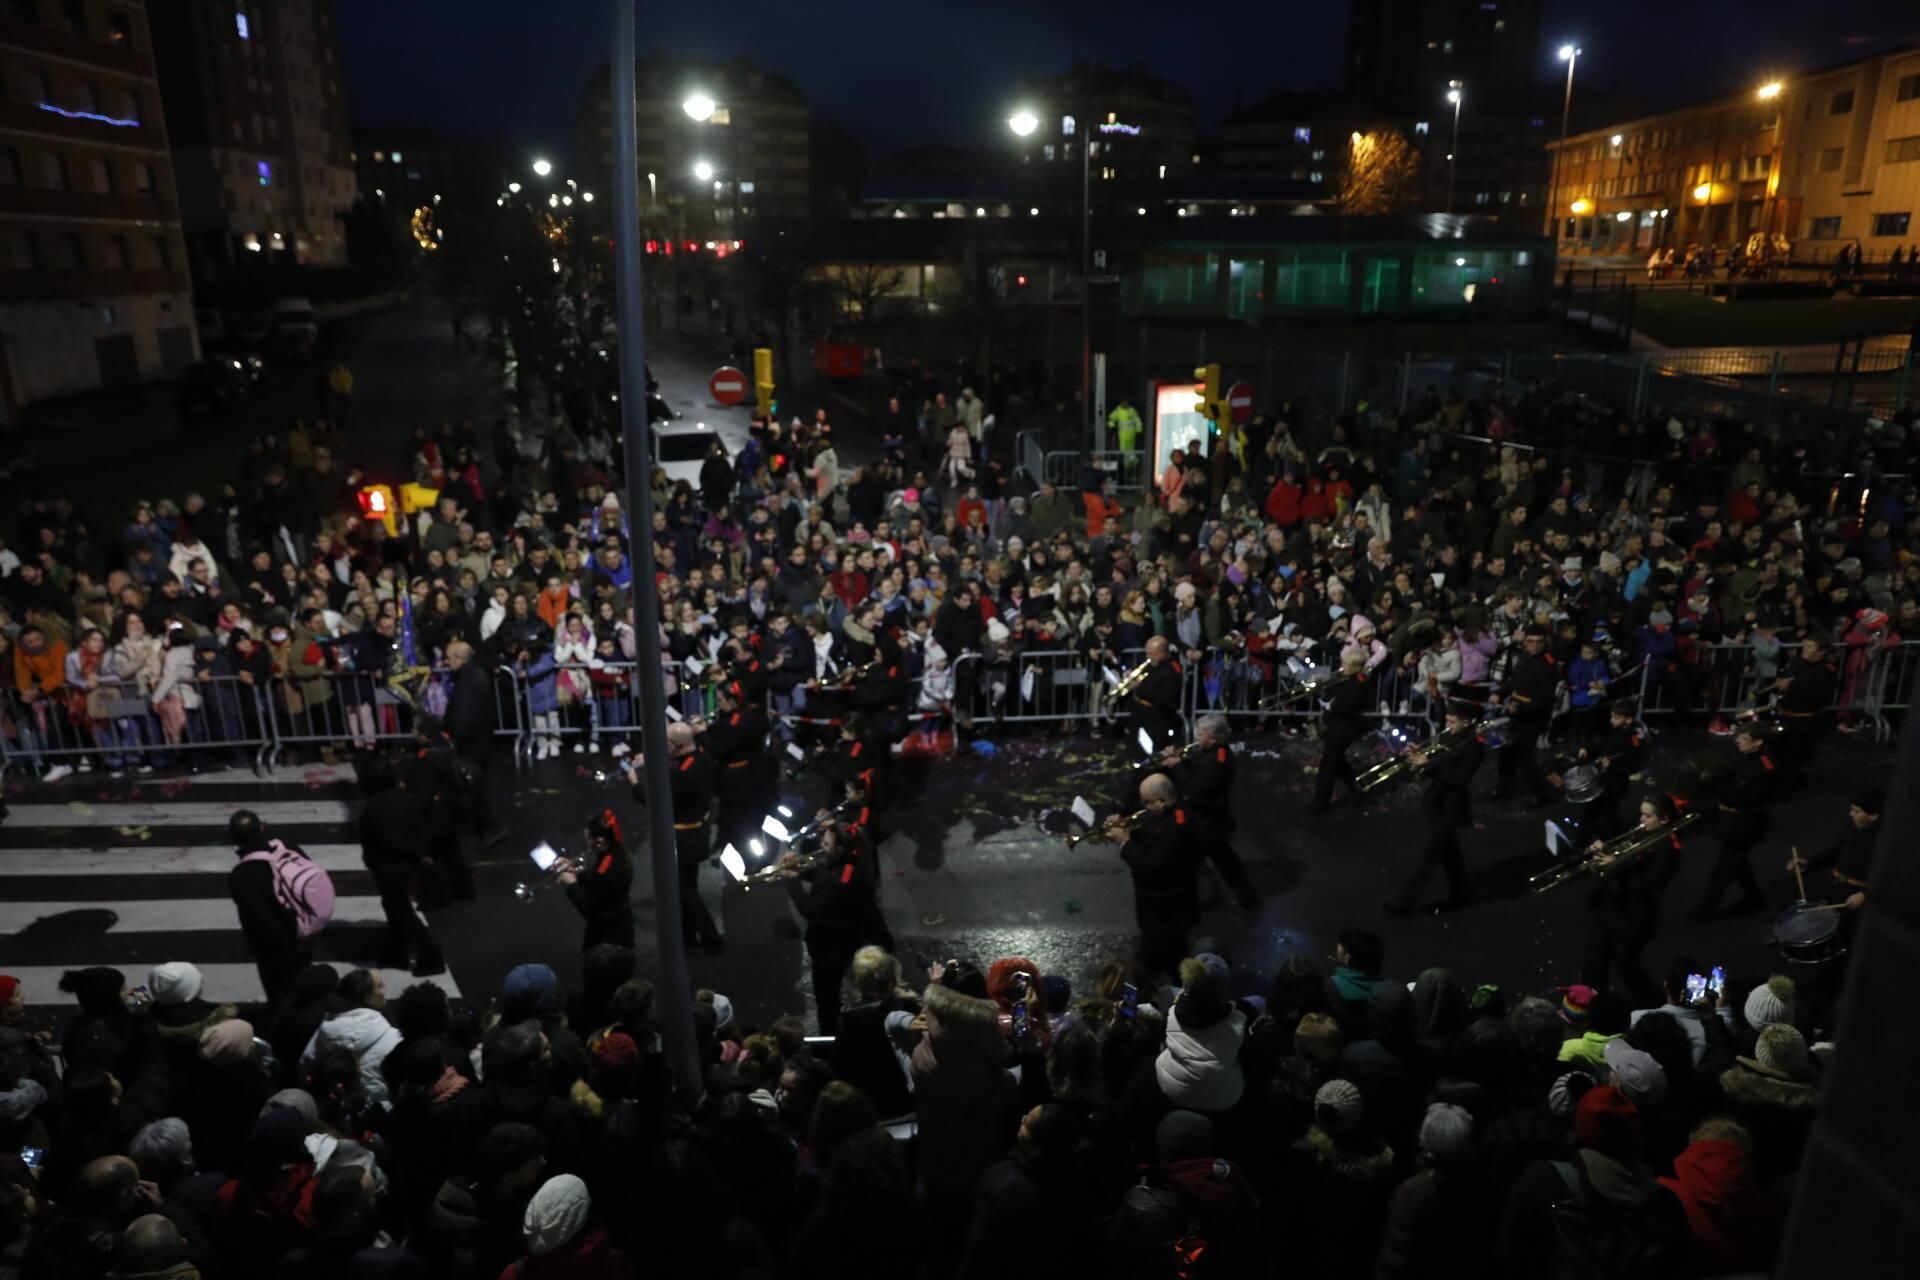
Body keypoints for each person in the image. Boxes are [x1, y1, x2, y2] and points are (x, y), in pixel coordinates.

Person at [1786, 784, 1881, 1034]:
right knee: (1828, 942)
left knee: (1843, 954)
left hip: (1858, 902)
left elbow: (1893, 877)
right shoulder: (1853, 827)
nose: (1851, 814)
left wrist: (1866, 894)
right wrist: (1809, 863)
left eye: (1857, 810)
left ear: (1874, 815)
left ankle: (1829, 1006)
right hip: (1837, 892)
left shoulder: (1885, 841)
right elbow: (1836, 850)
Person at [1581, 794, 1690, 1007]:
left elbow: (1645, 885)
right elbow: (1619, 837)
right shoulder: (1643, 830)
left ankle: (1655, 1005)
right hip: (1612, 904)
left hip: (1635, 915)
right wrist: (1601, 846)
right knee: (1595, 959)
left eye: (1647, 816)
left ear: (1664, 819)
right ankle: (1590, 1003)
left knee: (1627, 965)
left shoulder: (1669, 851)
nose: (1641, 819)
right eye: (1641, 813)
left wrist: (1616, 864)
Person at [626, 721, 721, 951]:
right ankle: (688, 938)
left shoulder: (684, 774)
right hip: (695, 831)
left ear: (677, 745)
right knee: (684, 890)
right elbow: (676, 765)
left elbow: (655, 801)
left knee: (686, 892)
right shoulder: (700, 759)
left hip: (685, 838)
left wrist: (635, 783)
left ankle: (711, 940)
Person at [1386, 701, 1488, 916]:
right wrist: (1418, 754)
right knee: (1450, 855)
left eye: (1452, 721)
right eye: (1447, 720)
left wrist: (1427, 765)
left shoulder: (1475, 746)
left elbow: (1459, 779)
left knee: (1430, 858)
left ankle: (1403, 905)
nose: (1447, 724)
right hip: (1436, 802)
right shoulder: (1450, 737)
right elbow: (1437, 761)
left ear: (1467, 722)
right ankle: (1462, 895)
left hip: (1450, 808)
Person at [777, 822, 873, 1035]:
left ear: (840, 849)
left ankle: (829, 1037)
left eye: (827, 843)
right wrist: (798, 868)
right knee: (829, 992)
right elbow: (821, 872)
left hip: (831, 947)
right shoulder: (844, 861)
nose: (821, 846)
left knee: (825, 996)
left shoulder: (842, 880)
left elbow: (811, 909)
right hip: (837, 940)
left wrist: (792, 881)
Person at [358, 754, 446, 977]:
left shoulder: (373, 808)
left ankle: (429, 955)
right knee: (394, 908)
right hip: (409, 865)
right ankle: (397, 952)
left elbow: (379, 840)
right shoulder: (408, 799)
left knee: (401, 911)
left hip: (389, 868)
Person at [1162, 712, 1260, 910]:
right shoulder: (1211, 752)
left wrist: (1178, 766)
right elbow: (1197, 768)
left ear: (1213, 738)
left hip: (1207, 821)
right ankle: (1247, 897)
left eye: (1202, 734)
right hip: (1209, 821)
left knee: (1191, 864)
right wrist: (1181, 758)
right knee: (1224, 860)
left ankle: (1185, 906)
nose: (1198, 737)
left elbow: (1196, 790)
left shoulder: (1219, 760)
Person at [1115, 773, 1204, 979]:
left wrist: (1124, 843)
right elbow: (1148, 833)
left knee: (1162, 957)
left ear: (1162, 801)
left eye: (1147, 802)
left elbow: (1150, 866)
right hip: (1159, 904)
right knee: (1164, 954)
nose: (1144, 808)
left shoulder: (1177, 826)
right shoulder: (1167, 815)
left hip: (1166, 906)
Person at [1692, 723, 1775, 919]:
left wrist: (1717, 794)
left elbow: (1741, 798)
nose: (1737, 741)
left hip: (1747, 824)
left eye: (1744, 738)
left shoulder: (1764, 768)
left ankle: (1706, 908)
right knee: (1737, 863)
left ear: (1758, 742)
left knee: (1724, 867)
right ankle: (1755, 897)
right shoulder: (1742, 756)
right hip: (1734, 821)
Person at [226, 809, 309, 1007]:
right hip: (302, 932)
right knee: (304, 985)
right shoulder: (289, 848)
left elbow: (255, 917)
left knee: (280, 993)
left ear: (234, 837)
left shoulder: (242, 874)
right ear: (262, 827)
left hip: (271, 947)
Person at [443, 640, 505, 847]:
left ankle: (488, 828)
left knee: (473, 787)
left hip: (471, 744)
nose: (447, 662)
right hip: (481, 740)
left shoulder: (468, 680)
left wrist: (455, 739)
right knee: (478, 787)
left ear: (460, 659)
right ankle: (488, 827)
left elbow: (464, 715)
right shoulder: (476, 674)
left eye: (450, 658)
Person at [1496, 624, 1560, 805]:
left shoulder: (1548, 665)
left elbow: (1544, 699)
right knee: (1506, 751)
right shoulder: (1524, 658)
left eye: (1539, 641)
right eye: (1531, 641)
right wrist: (1499, 694)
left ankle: (1540, 794)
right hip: (1517, 712)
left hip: (1534, 717)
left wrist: (1519, 708)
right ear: (1525, 642)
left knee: (1524, 756)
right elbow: (1514, 681)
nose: (1535, 645)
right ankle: (1503, 787)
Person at [555, 809, 636, 952]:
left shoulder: (610, 865)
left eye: (588, 840)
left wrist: (572, 885)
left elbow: (592, 909)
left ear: (599, 841)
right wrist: (576, 872)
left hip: (608, 942)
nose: (588, 845)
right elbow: (597, 878)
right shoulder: (613, 855)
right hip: (619, 933)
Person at [1308, 649, 1372, 814]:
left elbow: (1346, 705)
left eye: (1345, 664)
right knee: (1338, 762)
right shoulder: (1347, 679)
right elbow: (1332, 694)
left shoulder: (1359, 681)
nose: (1341, 666)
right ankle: (1358, 790)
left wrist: (1329, 704)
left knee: (1328, 765)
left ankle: (1320, 805)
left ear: (1354, 666)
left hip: (1345, 727)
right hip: (1338, 726)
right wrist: (1321, 688)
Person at [1770, 634, 1836, 784]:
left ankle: (1791, 785)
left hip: (1804, 719)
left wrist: (1792, 687)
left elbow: (1819, 695)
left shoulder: (1825, 671)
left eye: (1810, 647)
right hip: (1784, 714)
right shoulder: (1796, 662)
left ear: (1821, 651)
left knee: (1794, 756)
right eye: (1805, 645)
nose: (1805, 650)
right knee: (1777, 752)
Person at [1124, 635, 1184, 751]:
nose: (1147, 657)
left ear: (1161, 653)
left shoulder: (1172, 669)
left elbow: (1165, 698)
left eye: (1150, 654)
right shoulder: (1151, 665)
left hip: (1160, 718)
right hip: (1142, 713)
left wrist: (1139, 686)